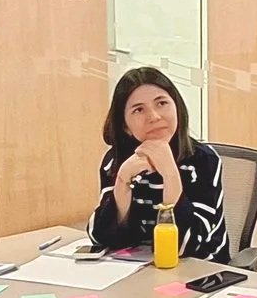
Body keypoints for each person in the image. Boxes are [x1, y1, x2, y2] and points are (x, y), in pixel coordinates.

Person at [89, 67, 230, 261]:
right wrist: (122, 182)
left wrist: (170, 175)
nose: (154, 116)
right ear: (125, 126)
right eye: (138, 110)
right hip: (138, 271)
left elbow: (186, 246)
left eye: (162, 103)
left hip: (199, 272)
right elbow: (102, 238)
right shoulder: (116, 161)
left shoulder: (203, 161)